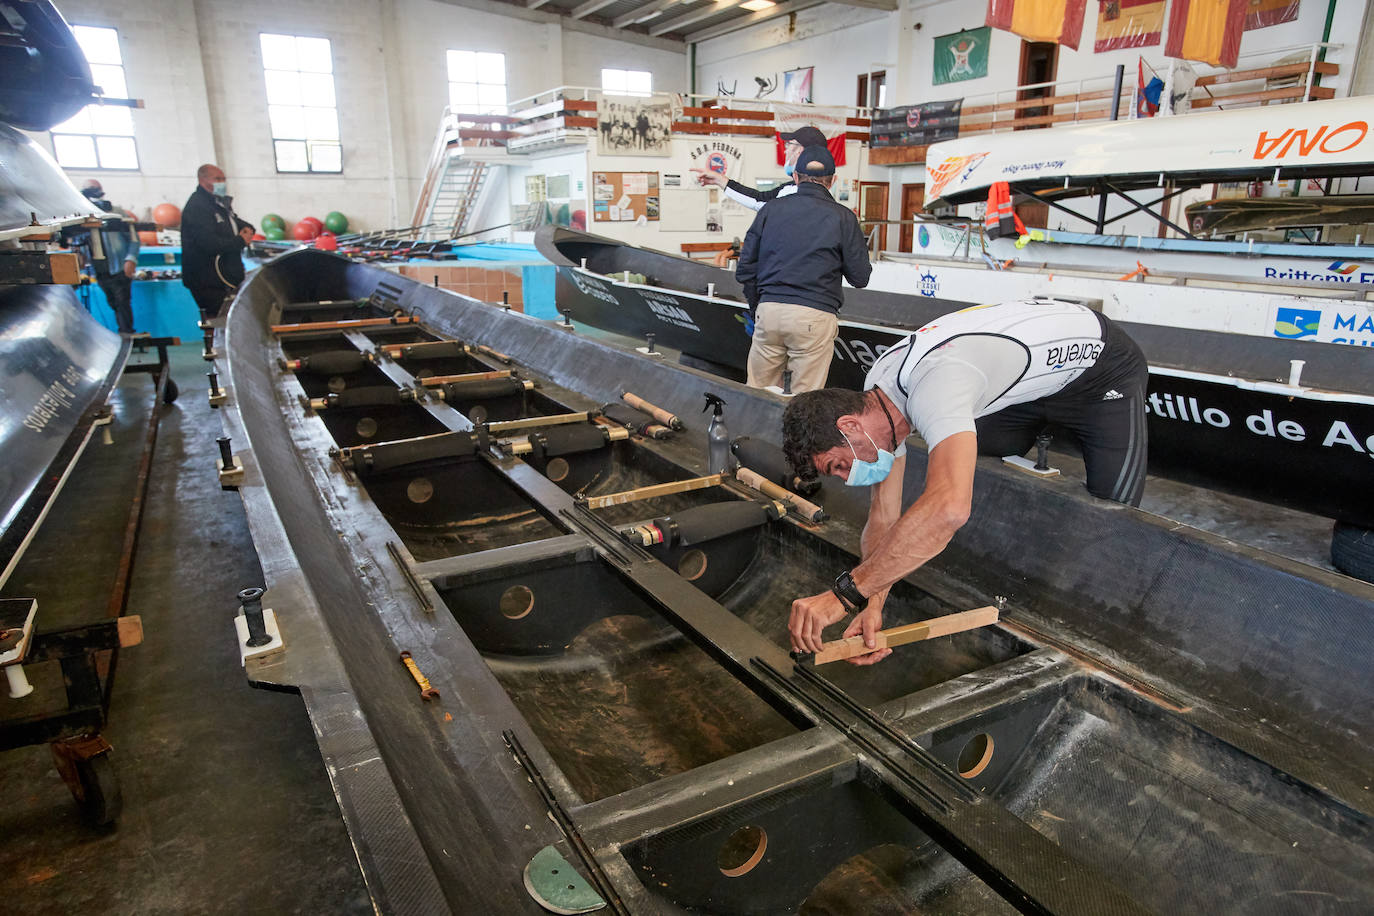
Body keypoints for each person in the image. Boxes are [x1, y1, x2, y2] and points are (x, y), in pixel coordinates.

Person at [780, 298, 1149, 663]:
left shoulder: (938, 387)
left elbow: (949, 509)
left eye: (839, 465)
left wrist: (844, 595)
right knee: (976, 441)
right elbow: (884, 516)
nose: (848, 478)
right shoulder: (877, 395)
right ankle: (1034, 419)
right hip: (1021, 390)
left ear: (849, 425)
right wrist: (872, 603)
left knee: (1115, 508)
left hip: (1102, 374)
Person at [735, 145, 870, 393]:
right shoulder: (844, 217)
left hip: (770, 311)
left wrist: (759, 307)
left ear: (795, 177)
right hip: (814, 316)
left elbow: (745, 269)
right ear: (832, 181)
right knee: (804, 401)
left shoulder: (770, 210)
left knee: (757, 393)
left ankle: (755, 431)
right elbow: (860, 277)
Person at [690, 125, 828, 210]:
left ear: (800, 150)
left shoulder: (792, 191)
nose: (786, 151)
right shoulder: (826, 197)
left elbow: (758, 201)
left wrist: (720, 180)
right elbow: (760, 199)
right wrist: (720, 180)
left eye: (789, 145)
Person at [181, 163, 254, 322]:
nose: (222, 183)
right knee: (219, 320)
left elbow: (235, 222)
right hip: (207, 280)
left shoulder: (218, 204)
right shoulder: (197, 207)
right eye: (217, 179)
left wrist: (248, 229)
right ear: (202, 181)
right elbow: (209, 244)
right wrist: (240, 241)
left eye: (223, 179)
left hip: (226, 276)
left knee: (233, 318)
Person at [79, 179, 140, 335]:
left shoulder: (115, 213)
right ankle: (124, 332)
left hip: (119, 266)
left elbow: (133, 238)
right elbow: (80, 242)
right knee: (113, 302)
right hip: (99, 269)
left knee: (122, 302)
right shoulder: (82, 216)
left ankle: (127, 333)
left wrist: (130, 259)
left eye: (96, 189)